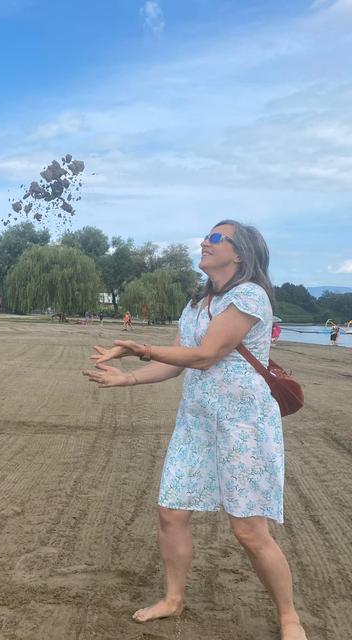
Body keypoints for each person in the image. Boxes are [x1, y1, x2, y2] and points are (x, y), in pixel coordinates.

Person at [83, 220, 307, 640]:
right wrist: (128, 377)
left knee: (249, 530)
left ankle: (289, 617)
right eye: (207, 236)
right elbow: (179, 360)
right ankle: (173, 599)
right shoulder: (198, 302)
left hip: (243, 426)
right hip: (197, 423)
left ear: (240, 253)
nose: (205, 241)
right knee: (171, 512)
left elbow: (205, 356)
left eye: (216, 237)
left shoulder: (249, 296)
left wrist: (139, 347)